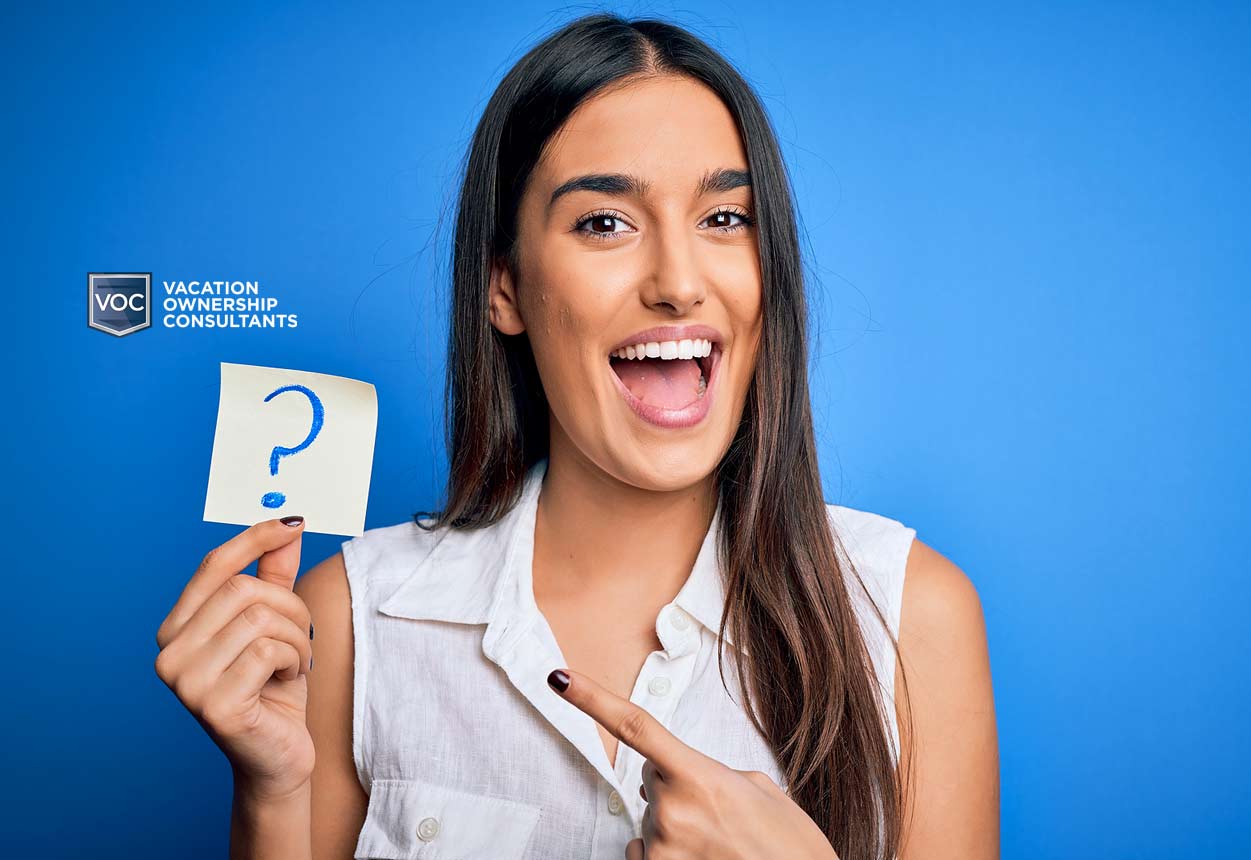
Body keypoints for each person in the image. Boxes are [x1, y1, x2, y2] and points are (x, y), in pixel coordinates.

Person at [155, 12, 998, 860]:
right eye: (604, 223)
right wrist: (273, 794)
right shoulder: (349, 617)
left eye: (725, 219)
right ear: (505, 289)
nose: (677, 282)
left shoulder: (908, 617)